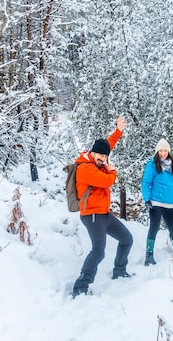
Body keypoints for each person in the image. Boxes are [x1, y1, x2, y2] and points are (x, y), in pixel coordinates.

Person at [71, 115, 133, 297]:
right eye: (101, 156)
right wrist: (112, 170)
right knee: (98, 251)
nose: (103, 159)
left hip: (104, 214)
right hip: (91, 215)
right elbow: (107, 181)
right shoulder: (85, 169)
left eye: (106, 157)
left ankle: (119, 271)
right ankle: (80, 287)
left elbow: (107, 146)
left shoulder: (98, 158)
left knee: (127, 239)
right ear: (92, 153)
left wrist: (118, 131)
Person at [141, 138, 173, 266]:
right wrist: (147, 199)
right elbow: (146, 182)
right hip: (156, 202)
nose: (163, 153)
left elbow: (171, 184)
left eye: (165, 150)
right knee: (154, 228)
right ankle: (149, 254)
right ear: (157, 151)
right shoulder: (152, 165)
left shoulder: (170, 165)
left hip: (169, 203)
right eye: (161, 150)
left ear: (168, 152)